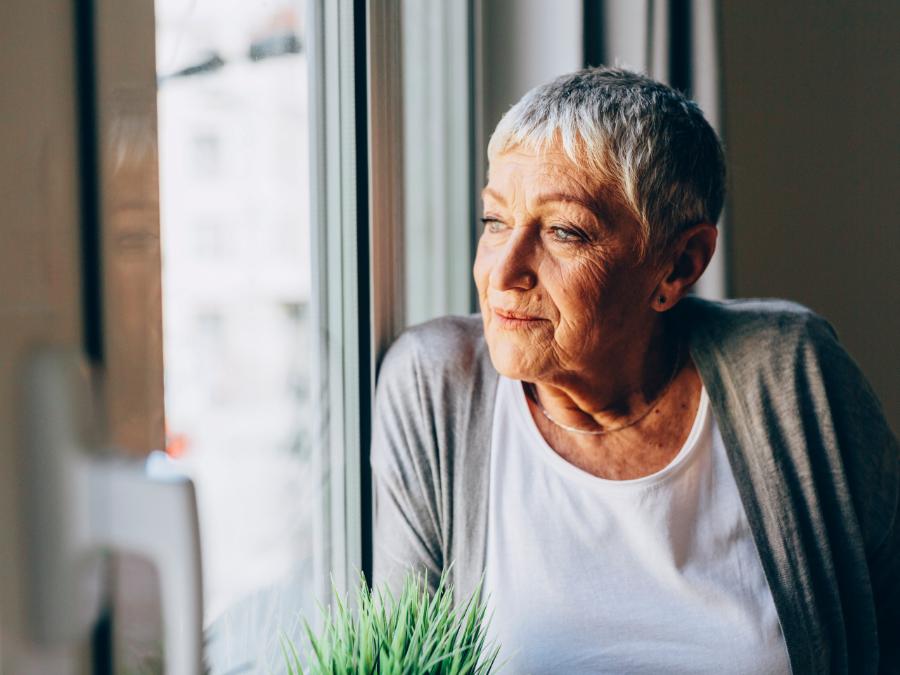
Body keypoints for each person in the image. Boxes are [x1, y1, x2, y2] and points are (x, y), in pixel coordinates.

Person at [370, 67, 898, 673]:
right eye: (495, 223)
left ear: (678, 264)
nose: (503, 272)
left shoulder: (791, 373)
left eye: (565, 232)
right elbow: (399, 659)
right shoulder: (437, 385)